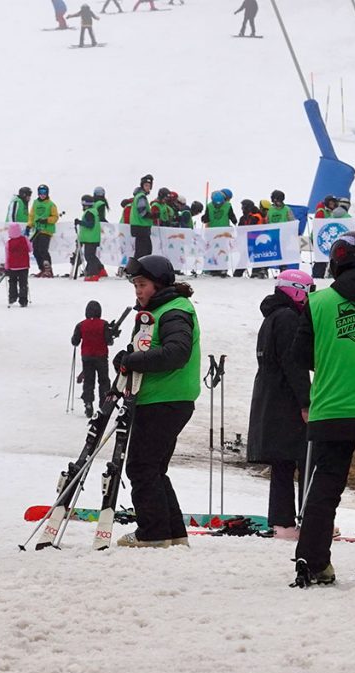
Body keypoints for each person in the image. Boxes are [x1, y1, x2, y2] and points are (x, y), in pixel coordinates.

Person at [291, 232, 355, 586]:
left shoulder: (318, 302)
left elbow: (300, 356)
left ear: (336, 263)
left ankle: (313, 562)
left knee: (325, 489)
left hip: (334, 408)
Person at [113, 255, 200, 548]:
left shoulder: (174, 311)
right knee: (153, 468)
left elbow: (177, 352)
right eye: (135, 285)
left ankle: (153, 533)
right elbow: (147, 349)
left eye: (143, 285)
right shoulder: (159, 310)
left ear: (159, 284)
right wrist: (126, 358)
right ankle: (173, 532)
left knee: (141, 467)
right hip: (163, 398)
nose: (138, 291)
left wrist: (134, 360)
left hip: (165, 399)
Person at [247, 270, 314, 540]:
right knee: (302, 459)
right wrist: (306, 402)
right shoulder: (287, 318)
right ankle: (302, 521)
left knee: (283, 463)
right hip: (286, 400)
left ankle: (283, 522)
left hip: (272, 397)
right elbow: (293, 364)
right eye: (309, 292)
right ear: (297, 290)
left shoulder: (273, 315)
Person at [72, 300, 117, 416]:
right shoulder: (104, 324)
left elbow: (75, 341)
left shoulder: (81, 325)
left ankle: (88, 402)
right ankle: (103, 403)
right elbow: (109, 342)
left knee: (88, 381)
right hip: (101, 357)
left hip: (87, 357)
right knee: (104, 381)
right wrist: (112, 334)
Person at [28, 184, 58, 277]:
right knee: (35, 251)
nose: (42, 195)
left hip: (46, 230)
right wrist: (29, 225)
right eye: (40, 192)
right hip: (37, 230)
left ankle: (48, 270)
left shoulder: (51, 204)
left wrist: (47, 220)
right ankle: (42, 269)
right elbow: (32, 215)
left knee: (43, 250)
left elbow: (55, 217)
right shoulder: (35, 203)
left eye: (44, 192)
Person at [77, 194, 104, 280]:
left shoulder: (89, 212)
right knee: (91, 255)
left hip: (90, 239)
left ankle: (93, 274)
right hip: (92, 238)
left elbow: (90, 225)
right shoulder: (94, 211)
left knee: (89, 257)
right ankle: (100, 270)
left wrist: (80, 222)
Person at [4, 222, 31, 307]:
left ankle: (12, 297)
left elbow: (7, 256)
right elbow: (30, 249)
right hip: (24, 266)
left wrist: (6, 267)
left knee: (12, 282)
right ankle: (23, 300)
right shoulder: (25, 239)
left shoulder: (8, 243)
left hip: (13, 267)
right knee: (23, 283)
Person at [129, 174, 154, 260]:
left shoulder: (138, 196)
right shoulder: (141, 197)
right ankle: (138, 267)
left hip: (139, 227)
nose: (148, 188)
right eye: (146, 185)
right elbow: (142, 212)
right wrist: (152, 215)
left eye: (149, 186)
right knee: (144, 251)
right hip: (141, 227)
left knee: (141, 250)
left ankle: (137, 266)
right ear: (142, 186)